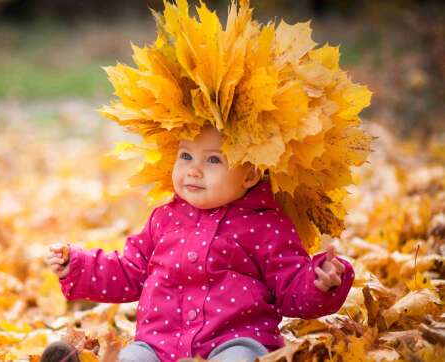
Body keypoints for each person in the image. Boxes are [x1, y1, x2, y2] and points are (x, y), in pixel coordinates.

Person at [43, 0, 371, 360]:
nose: (193, 169)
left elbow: (290, 287)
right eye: (186, 156)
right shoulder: (163, 220)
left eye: (213, 159)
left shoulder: (267, 225)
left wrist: (320, 283)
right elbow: (129, 270)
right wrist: (78, 265)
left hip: (234, 342)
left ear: (251, 172)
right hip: (160, 345)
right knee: (133, 358)